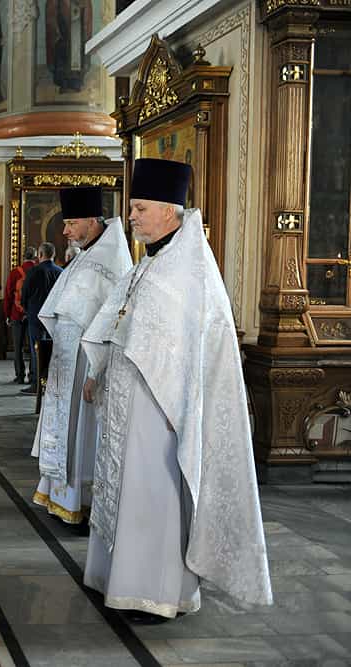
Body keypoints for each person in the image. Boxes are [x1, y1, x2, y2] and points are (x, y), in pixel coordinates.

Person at [81, 158, 272, 621]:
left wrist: (179, 405)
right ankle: (119, 580)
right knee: (128, 493)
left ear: (169, 210)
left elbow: (194, 352)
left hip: (162, 410)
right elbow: (120, 324)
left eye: (141, 208)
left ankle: (158, 592)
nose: (132, 217)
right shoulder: (150, 264)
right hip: (131, 403)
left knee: (155, 496)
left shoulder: (188, 273)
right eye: (132, 208)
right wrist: (100, 371)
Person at [30, 187, 132, 526]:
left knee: (83, 431)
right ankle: (60, 494)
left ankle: (82, 500)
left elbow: (114, 321)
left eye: (71, 223)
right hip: (66, 358)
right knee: (66, 427)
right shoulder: (86, 254)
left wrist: (97, 371)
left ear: (92, 220)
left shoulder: (111, 258)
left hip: (88, 360)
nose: (65, 231)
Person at [20, 242, 63, 395]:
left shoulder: (34, 271)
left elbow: (24, 293)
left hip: (36, 317)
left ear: (40, 255)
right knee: (53, 351)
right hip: (54, 318)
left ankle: (37, 384)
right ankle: (51, 384)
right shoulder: (60, 272)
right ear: (53, 255)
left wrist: (26, 308)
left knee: (36, 351)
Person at [4, 246, 37, 383]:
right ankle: (33, 376)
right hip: (33, 314)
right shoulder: (38, 271)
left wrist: (7, 314)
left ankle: (19, 375)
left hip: (16, 313)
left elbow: (8, 295)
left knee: (18, 347)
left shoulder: (15, 273)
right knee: (33, 347)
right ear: (35, 256)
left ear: (23, 256)